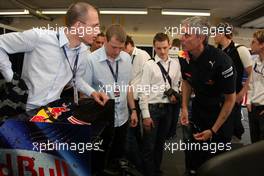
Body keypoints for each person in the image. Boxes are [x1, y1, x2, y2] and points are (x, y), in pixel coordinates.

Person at [0, 2, 108, 110]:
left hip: (52, 111)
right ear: (78, 26)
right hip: (24, 108)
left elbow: (76, 80)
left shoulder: (83, 52)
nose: (98, 31)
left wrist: (93, 93)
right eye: (94, 26)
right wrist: (11, 78)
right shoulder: (39, 37)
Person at [179, 16, 236, 175]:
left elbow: (230, 100)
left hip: (219, 118)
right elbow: (187, 81)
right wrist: (184, 107)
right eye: (182, 34)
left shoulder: (222, 61)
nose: (181, 38)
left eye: (186, 35)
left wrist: (213, 130)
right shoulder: (184, 55)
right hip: (198, 112)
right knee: (194, 161)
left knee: (215, 165)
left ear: (201, 37)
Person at [84, 24, 138, 164]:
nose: (117, 51)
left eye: (120, 48)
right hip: (101, 120)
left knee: (117, 156)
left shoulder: (126, 58)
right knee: (99, 160)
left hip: (123, 118)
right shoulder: (91, 60)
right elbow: (84, 92)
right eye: (114, 47)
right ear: (105, 41)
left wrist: (133, 110)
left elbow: (128, 86)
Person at [139, 32, 181, 176]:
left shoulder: (175, 64)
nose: (162, 51)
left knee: (160, 144)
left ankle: (156, 170)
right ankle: (148, 173)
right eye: (158, 48)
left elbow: (175, 85)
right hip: (152, 110)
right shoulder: (149, 65)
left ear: (169, 45)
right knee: (149, 146)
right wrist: (145, 115)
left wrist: (175, 95)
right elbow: (143, 91)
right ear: (154, 47)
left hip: (168, 109)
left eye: (164, 47)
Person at [214, 22, 252, 141]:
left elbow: (252, 74)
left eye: (215, 32)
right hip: (219, 98)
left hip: (234, 96)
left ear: (223, 33)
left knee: (233, 129)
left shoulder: (241, 50)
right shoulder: (216, 52)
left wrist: (242, 93)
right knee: (220, 129)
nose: (213, 35)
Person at [123, 35, 150, 172]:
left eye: (123, 47)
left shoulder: (143, 55)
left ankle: (138, 163)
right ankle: (137, 159)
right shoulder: (124, 57)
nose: (121, 51)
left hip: (138, 98)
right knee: (133, 130)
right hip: (128, 98)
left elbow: (147, 77)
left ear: (129, 44)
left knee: (131, 130)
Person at [246, 30, 264, 143]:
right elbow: (251, 83)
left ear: (262, 44)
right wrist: (248, 101)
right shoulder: (255, 61)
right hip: (253, 108)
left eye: (253, 42)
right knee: (254, 144)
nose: (251, 45)